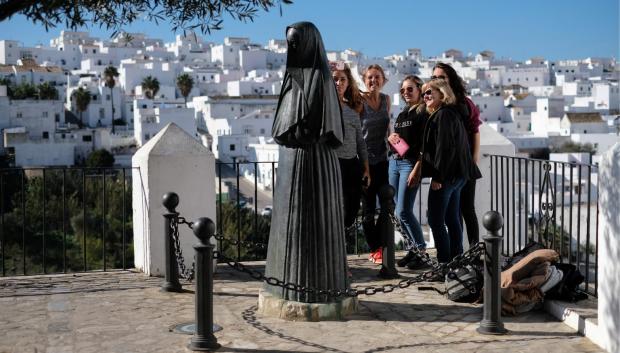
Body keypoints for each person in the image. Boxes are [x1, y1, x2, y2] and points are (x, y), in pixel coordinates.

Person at [265, 22, 349, 303]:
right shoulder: (294, 76)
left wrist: (291, 133)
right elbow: (282, 125)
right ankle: (284, 283)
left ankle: (315, 289)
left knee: (312, 231)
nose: (293, 49)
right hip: (294, 162)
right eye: (290, 43)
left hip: (312, 163)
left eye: (297, 43)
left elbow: (306, 128)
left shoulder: (320, 79)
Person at [417, 79, 480, 264]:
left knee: (436, 220)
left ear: (442, 94)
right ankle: (456, 259)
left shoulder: (443, 115)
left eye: (429, 92)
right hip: (458, 175)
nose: (425, 96)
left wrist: (438, 177)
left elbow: (445, 149)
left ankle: (445, 262)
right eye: (424, 94)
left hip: (446, 176)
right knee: (452, 218)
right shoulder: (451, 113)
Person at [432, 63, 482, 247]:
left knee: (467, 208)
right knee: (453, 213)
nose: (438, 81)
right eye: (434, 77)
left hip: (464, 165)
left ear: (450, 79)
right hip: (448, 167)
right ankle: (458, 252)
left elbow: (475, 130)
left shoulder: (464, 103)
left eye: (442, 77)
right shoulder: (436, 103)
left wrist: (474, 158)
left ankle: (475, 249)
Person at [386, 75, 429, 269]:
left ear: (419, 90)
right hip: (394, 162)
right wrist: (393, 137)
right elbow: (403, 141)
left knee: (404, 210)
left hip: (409, 165)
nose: (406, 93)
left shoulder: (423, 113)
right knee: (397, 210)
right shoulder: (404, 113)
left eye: (410, 89)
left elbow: (423, 145)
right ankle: (413, 249)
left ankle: (421, 251)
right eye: (403, 90)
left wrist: (417, 169)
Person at [331, 61, 370, 242]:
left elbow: (360, 142)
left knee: (351, 210)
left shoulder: (353, 111)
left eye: (342, 80)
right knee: (332, 212)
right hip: (331, 165)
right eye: (335, 79)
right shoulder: (323, 108)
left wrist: (366, 168)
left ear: (348, 83)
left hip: (351, 165)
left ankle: (340, 254)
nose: (338, 83)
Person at [359, 64, 391, 264]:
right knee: (368, 210)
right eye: (370, 77)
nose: (373, 80)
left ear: (383, 79)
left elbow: (388, 130)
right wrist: (364, 167)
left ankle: (382, 246)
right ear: (364, 80)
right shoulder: (359, 100)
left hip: (383, 161)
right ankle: (375, 249)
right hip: (364, 162)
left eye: (377, 77)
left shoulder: (386, 99)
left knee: (388, 206)